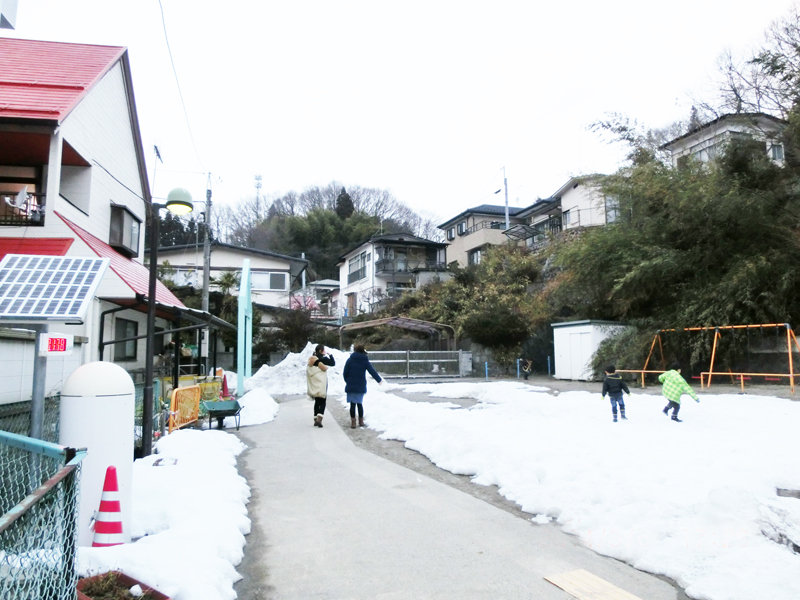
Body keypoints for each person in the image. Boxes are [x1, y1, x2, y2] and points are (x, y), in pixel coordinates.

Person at [342, 344, 382, 428]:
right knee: (359, 403)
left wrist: (348, 381)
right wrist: (378, 380)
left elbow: (345, 372)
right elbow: (372, 371)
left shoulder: (350, 360)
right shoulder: (364, 360)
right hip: (360, 384)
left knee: (352, 404)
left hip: (351, 384)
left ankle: (353, 422)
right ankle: (361, 421)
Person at [306, 344, 335, 428]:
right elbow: (333, 363)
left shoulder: (311, 360)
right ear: (321, 351)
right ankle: (319, 418)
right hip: (321, 384)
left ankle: (315, 419)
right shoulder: (323, 359)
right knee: (322, 400)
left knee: (317, 401)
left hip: (314, 384)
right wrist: (330, 355)